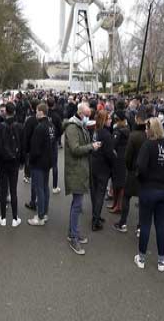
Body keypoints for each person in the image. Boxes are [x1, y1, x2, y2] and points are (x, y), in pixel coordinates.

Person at [135, 118, 164, 272]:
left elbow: (140, 167)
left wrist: (142, 181)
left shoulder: (148, 145)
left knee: (145, 224)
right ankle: (161, 260)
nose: (145, 131)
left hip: (148, 190)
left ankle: (142, 258)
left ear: (152, 130)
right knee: (160, 226)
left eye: (147, 128)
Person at [64, 102, 101, 255]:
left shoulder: (80, 125)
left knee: (77, 204)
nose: (88, 118)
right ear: (80, 114)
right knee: (77, 205)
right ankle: (73, 236)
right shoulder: (73, 127)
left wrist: (92, 144)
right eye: (87, 116)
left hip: (80, 169)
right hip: (75, 171)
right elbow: (75, 149)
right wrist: (92, 147)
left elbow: (82, 145)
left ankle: (73, 232)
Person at [114, 107, 148, 235]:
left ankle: (123, 223)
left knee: (126, 197)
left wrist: (128, 167)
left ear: (137, 119)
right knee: (142, 200)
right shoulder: (148, 135)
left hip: (132, 171)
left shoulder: (133, 136)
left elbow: (127, 156)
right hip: (144, 173)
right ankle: (140, 227)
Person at [27, 103, 55, 227]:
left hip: (39, 163)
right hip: (48, 161)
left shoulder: (40, 128)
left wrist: (31, 161)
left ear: (41, 112)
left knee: (40, 189)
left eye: (37, 111)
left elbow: (35, 149)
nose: (35, 113)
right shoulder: (51, 126)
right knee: (45, 188)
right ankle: (44, 212)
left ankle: (40, 216)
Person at [91, 110, 116, 231]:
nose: (111, 120)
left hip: (94, 164)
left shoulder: (95, 131)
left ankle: (96, 215)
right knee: (100, 194)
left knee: (95, 193)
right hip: (103, 167)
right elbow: (109, 153)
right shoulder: (106, 134)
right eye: (109, 119)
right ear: (104, 120)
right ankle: (95, 221)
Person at [108, 111, 129, 214]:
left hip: (118, 159)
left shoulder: (118, 131)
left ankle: (118, 205)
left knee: (118, 184)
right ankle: (116, 204)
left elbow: (113, 144)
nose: (114, 121)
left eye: (116, 120)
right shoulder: (126, 130)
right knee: (118, 183)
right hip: (122, 158)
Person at [47, 96, 63, 194]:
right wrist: (56, 137)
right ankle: (54, 186)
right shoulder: (56, 117)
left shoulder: (44, 114)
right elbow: (61, 130)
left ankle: (45, 183)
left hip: (45, 141)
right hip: (53, 142)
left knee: (45, 163)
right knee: (54, 164)